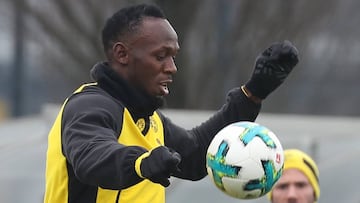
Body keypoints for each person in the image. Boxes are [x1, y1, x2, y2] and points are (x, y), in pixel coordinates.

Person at [43, 3, 299, 203]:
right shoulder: (89, 105)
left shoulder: (149, 120)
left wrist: (253, 93)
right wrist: (141, 162)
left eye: (173, 56)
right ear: (122, 54)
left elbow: (198, 156)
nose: (172, 68)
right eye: (161, 56)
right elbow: (92, 156)